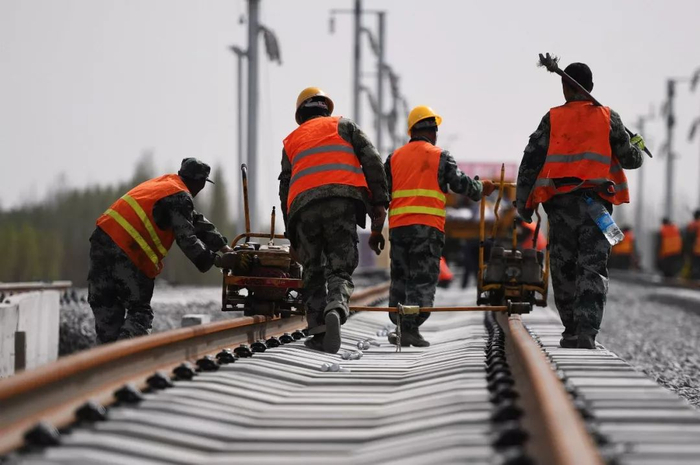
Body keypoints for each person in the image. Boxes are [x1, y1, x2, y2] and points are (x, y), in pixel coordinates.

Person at [516, 62, 644, 349]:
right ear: (591, 88)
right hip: (596, 206)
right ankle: (587, 331)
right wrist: (636, 144)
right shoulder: (609, 117)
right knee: (593, 268)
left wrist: (523, 205)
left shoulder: (552, 118)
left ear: (565, 87)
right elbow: (630, 159)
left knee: (564, 267)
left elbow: (530, 163)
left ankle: (571, 329)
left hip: (561, 207)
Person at [279, 87, 389, 354]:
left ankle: (319, 332)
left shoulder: (291, 141)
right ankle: (336, 307)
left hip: (302, 209)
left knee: (313, 270)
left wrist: (291, 235)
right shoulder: (344, 126)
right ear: (326, 109)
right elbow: (372, 160)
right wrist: (379, 201)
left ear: (300, 115)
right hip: (341, 201)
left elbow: (284, 189)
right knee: (340, 267)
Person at [384, 105, 495, 347]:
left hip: (399, 229)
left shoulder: (394, 158)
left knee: (401, 277)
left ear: (411, 131)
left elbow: (381, 194)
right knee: (422, 278)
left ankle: (402, 325)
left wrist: (375, 230)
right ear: (433, 132)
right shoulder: (440, 156)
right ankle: (410, 327)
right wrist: (481, 188)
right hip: (427, 229)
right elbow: (462, 184)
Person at [88, 158, 231, 344]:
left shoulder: (165, 185)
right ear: (200, 182)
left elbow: (195, 221)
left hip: (101, 244)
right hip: (129, 253)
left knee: (107, 311)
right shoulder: (180, 196)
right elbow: (187, 239)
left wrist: (224, 247)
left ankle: (107, 357)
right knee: (140, 314)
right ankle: (125, 356)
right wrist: (217, 260)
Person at [684, 210, 700, 279]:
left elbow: (688, 238)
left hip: (695, 249)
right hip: (696, 248)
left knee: (694, 265)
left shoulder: (692, 224)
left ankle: (694, 278)